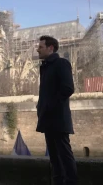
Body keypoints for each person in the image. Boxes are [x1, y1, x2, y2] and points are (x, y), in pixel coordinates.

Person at [36, 35, 77, 185]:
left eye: (40, 47)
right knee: (54, 157)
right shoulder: (45, 67)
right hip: (48, 118)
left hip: (58, 118)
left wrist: (49, 105)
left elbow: (68, 88)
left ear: (50, 48)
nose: (37, 49)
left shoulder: (61, 63)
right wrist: (41, 107)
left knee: (64, 155)